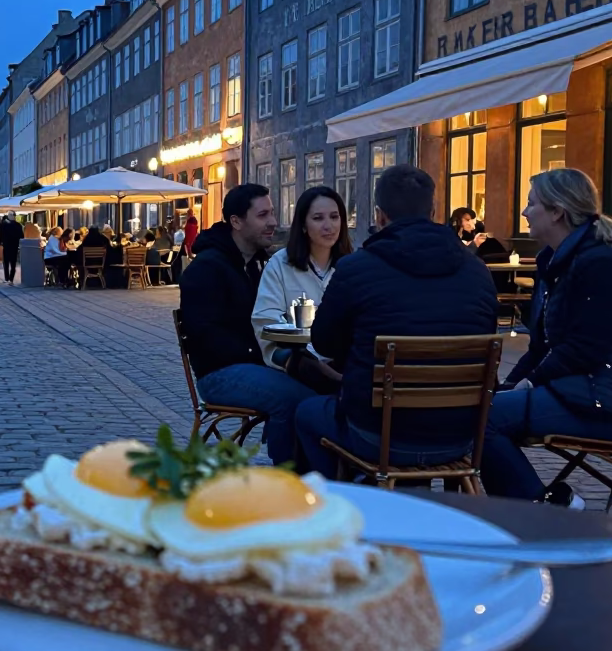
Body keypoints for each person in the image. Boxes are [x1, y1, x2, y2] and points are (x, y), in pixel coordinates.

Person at [295, 165, 499, 477]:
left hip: (376, 434)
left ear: (379, 216)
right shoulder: (478, 272)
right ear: (432, 210)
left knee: (307, 412)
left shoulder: (356, 268)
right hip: (461, 435)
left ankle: (340, 506)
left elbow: (323, 342)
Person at [480, 168, 612, 508]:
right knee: (483, 408)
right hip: (581, 388)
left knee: (483, 419)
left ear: (558, 211)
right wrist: (511, 383)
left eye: (531, 204)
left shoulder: (602, 264)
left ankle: (541, 510)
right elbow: (542, 345)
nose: (524, 212)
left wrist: (528, 384)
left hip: (606, 402)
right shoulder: (559, 262)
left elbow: (585, 348)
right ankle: (532, 508)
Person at [178, 183, 314, 465]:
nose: (273, 223)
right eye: (263, 215)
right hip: (219, 375)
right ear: (236, 222)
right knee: (296, 398)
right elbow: (206, 335)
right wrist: (264, 355)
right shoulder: (206, 269)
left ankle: (329, 472)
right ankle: (289, 475)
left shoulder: (259, 263)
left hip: (255, 365)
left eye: (273, 213)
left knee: (324, 385)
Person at [252, 186, 352, 387]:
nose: (328, 226)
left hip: (344, 358)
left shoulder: (352, 265)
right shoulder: (281, 264)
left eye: (334, 217)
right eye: (318, 218)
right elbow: (266, 317)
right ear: (304, 225)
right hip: (296, 358)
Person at [0, 211, 25, 285]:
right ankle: (11, 279)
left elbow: (1, 235)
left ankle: (7, 278)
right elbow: (22, 236)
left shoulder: (4, 225)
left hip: (7, 246)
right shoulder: (18, 225)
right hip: (14, 246)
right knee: (13, 263)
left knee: (6, 263)